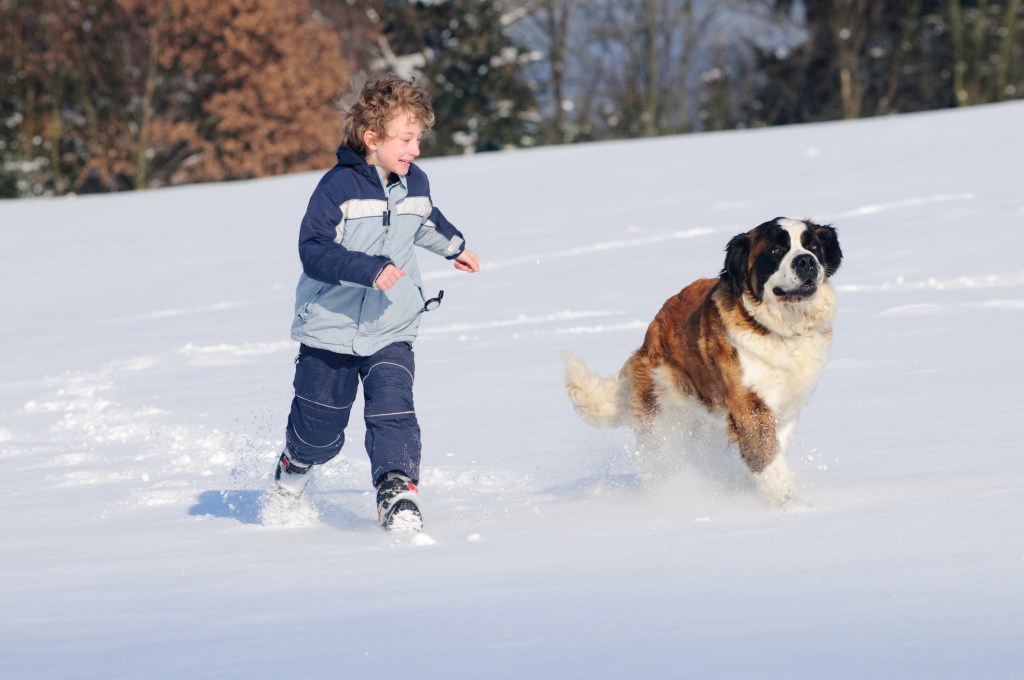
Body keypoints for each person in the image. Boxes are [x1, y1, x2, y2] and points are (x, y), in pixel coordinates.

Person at [272, 72, 480, 532]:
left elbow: (425, 220)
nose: (415, 149)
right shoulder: (336, 190)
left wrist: (456, 247)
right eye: (406, 139)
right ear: (372, 137)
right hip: (331, 328)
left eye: (419, 138)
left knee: (393, 409)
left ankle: (397, 489)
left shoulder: (415, 181)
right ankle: (297, 461)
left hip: (392, 325)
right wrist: (368, 270)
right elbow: (313, 251)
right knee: (321, 428)